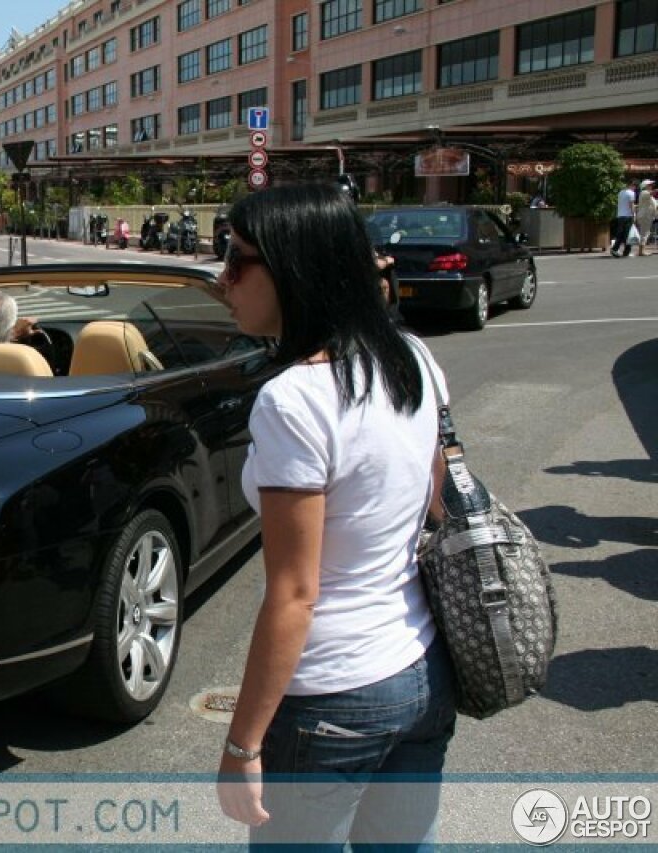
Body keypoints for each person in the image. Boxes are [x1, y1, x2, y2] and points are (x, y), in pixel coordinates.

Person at [211, 184, 455, 848]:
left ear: (295, 266)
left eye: (236, 259)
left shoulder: (294, 400)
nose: (222, 278)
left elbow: (295, 594)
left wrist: (243, 742)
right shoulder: (413, 359)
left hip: (332, 696)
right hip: (421, 669)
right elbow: (434, 501)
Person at [610, 179, 637, 257]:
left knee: (620, 233)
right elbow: (631, 205)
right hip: (628, 216)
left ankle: (615, 249)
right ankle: (626, 251)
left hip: (620, 215)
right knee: (628, 234)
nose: (635, 188)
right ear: (632, 185)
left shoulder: (620, 192)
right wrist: (634, 215)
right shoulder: (631, 193)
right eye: (634, 186)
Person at [635, 179, 656, 257]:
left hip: (647, 216)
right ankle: (641, 251)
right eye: (649, 185)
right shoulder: (644, 192)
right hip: (645, 216)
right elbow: (652, 193)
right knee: (644, 233)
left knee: (645, 232)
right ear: (645, 186)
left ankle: (642, 250)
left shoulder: (647, 194)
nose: (651, 186)